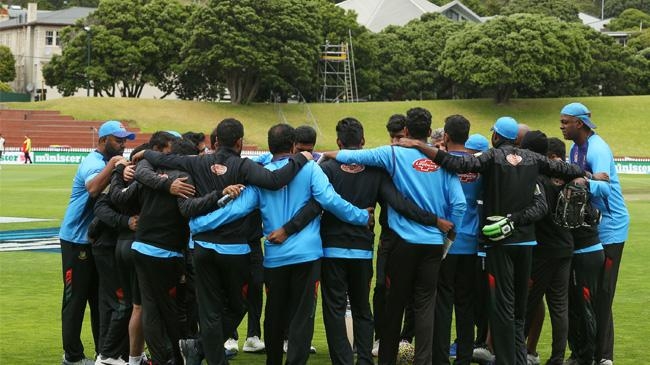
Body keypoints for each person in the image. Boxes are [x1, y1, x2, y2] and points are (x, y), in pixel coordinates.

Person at [394, 115, 586, 365]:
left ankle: (504, 360)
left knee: (502, 306)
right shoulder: (534, 159)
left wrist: (421, 146)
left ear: (496, 137)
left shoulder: (491, 157)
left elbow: (455, 164)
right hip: (526, 243)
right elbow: (569, 170)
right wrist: (585, 176)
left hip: (499, 243)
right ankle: (515, 359)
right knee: (518, 309)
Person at [190, 123, 373, 365]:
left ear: (269, 146)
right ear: (293, 145)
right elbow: (331, 200)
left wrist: (198, 224)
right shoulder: (309, 169)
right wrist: (362, 216)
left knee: (274, 314)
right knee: (302, 317)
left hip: (275, 257)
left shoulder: (262, 175)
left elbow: (236, 209)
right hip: (307, 256)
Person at [137, 118, 312, 365]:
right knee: (239, 305)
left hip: (203, 248)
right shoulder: (243, 166)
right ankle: (198, 348)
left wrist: (145, 153)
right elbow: (276, 180)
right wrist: (301, 158)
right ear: (240, 142)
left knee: (209, 312)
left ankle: (200, 351)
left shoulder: (197, 162)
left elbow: (161, 159)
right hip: (234, 250)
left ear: (216, 141)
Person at [322, 107, 467, 365]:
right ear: (430, 130)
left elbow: (355, 155)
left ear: (407, 131)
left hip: (402, 243)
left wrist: (326, 154)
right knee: (425, 306)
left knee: (394, 304)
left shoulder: (393, 153)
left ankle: (387, 360)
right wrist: (446, 238)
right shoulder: (442, 160)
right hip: (433, 244)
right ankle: (424, 361)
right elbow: (459, 205)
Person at [58, 120, 135, 365]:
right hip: (76, 241)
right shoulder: (94, 162)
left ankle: (104, 353)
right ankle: (72, 356)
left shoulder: (108, 163)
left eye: (124, 140)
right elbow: (93, 189)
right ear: (103, 141)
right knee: (75, 299)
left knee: (100, 300)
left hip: (96, 243)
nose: (123, 144)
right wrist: (113, 165)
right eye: (118, 139)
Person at [559, 102, 629, 365]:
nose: (562, 126)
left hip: (611, 229)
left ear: (580, 123)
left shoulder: (597, 148)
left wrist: (586, 180)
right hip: (591, 229)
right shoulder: (575, 148)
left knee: (602, 294)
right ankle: (584, 353)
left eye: (566, 122)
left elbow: (606, 189)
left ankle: (604, 357)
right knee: (583, 294)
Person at [431, 115, 482, 365]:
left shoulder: (441, 164)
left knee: (442, 301)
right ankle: (464, 357)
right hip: (471, 242)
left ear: (446, 137)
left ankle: (440, 357)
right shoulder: (478, 165)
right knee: (466, 303)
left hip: (445, 242)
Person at [521, 133, 573, 365]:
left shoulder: (536, 178)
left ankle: (517, 352)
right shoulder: (565, 176)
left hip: (543, 251)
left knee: (528, 302)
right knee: (559, 306)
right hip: (565, 246)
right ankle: (557, 357)